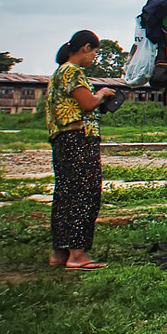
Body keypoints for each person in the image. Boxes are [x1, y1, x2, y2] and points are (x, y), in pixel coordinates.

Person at [42, 30, 114, 270]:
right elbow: (87, 103)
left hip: (62, 139)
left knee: (65, 193)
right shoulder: (72, 71)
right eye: (94, 52)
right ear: (85, 48)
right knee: (85, 193)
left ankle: (59, 253)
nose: (94, 57)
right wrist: (102, 94)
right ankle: (77, 255)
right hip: (79, 139)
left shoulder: (57, 73)